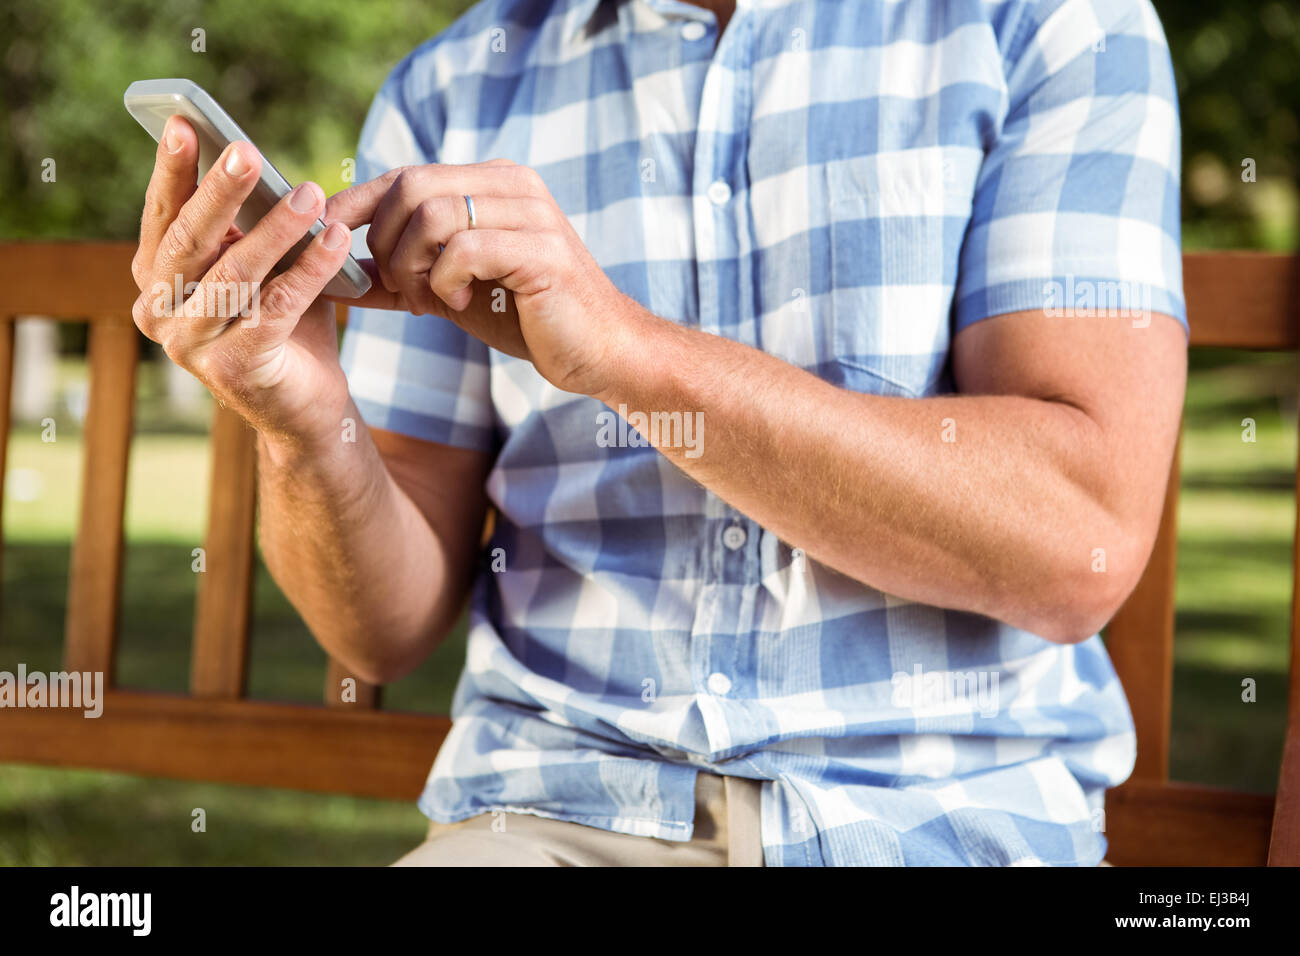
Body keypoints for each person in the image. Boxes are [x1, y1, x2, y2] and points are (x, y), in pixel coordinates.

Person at [129, 0, 1187, 865]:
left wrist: (621, 350)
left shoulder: (1049, 25)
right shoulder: (452, 87)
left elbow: (1075, 541)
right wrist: (307, 427)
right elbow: (378, 631)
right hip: (549, 813)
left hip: (934, 822)